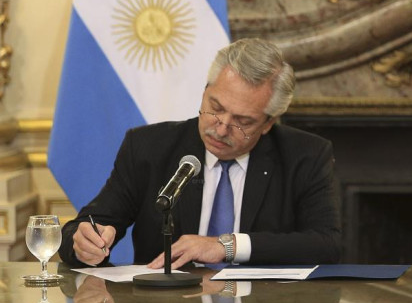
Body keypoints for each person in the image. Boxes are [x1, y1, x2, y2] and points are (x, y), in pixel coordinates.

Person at [59, 38, 341, 268]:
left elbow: (326, 244)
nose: (221, 129)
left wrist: (226, 246)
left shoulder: (305, 155)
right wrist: (84, 243)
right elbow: (84, 227)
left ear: (269, 123)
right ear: (205, 91)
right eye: (215, 108)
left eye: (243, 122)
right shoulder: (148, 147)